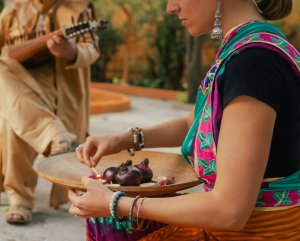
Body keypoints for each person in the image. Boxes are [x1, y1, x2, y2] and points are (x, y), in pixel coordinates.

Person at [68, 0, 300, 240]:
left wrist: (116, 203)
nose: (171, 7)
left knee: (111, 227)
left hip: (259, 232)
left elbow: (229, 211)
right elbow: (196, 123)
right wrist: (125, 139)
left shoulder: (255, 63)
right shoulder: (251, 48)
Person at [0, 0, 99, 225]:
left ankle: (19, 198)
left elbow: (91, 49)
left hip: (58, 90)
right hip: (16, 84)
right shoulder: (15, 9)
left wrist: (69, 50)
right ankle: (54, 136)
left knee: (15, 111)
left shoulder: (77, 7)